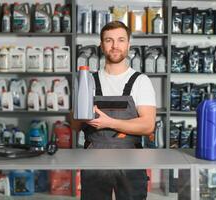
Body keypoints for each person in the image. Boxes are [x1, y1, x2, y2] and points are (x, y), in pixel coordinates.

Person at [70, 21, 156, 200]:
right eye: (109, 40)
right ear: (101, 45)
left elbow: (148, 126)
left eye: (121, 40)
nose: (115, 45)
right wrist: (81, 110)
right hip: (94, 161)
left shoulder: (141, 81)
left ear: (128, 44)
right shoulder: (88, 80)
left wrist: (108, 122)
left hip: (131, 161)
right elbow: (74, 125)